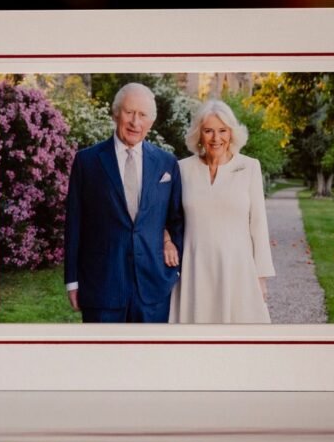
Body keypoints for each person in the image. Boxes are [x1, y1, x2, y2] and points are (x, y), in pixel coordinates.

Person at [63, 83, 184, 323]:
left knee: (149, 358)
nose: (135, 122)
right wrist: (72, 281)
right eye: (129, 112)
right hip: (101, 288)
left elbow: (176, 218)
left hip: (152, 289)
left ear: (151, 121)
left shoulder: (166, 163)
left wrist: (173, 266)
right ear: (116, 113)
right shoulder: (87, 162)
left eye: (142, 115)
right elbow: (74, 225)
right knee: (103, 358)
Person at [169, 99, 275, 323]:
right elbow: (167, 217)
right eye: (208, 131)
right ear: (199, 134)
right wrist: (166, 239)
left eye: (222, 131)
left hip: (237, 268)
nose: (216, 138)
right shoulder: (182, 168)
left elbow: (258, 224)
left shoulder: (250, 167)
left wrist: (261, 277)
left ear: (231, 133)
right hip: (194, 269)